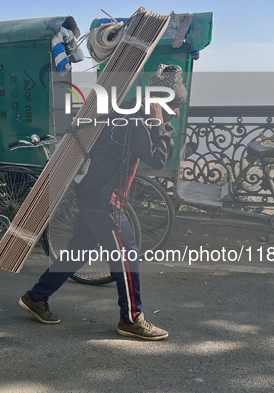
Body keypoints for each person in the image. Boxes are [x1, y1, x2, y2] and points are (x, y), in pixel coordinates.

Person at [18, 64, 186, 340]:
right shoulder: (136, 121)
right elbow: (158, 158)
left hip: (92, 195)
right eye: (175, 106)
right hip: (103, 201)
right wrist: (159, 123)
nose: (176, 113)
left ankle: (36, 297)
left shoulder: (131, 112)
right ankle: (131, 319)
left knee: (77, 253)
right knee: (127, 255)